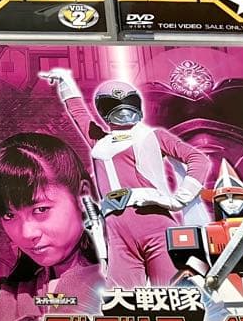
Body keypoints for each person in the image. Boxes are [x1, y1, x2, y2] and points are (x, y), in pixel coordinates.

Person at [39, 69, 210, 289]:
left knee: (172, 292)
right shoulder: (101, 143)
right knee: (121, 299)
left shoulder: (152, 136)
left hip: (154, 222)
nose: (124, 111)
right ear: (104, 110)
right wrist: (65, 82)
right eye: (114, 105)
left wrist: (179, 199)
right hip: (116, 230)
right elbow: (79, 114)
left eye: (129, 103)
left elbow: (198, 159)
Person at [0, 133, 104, 321]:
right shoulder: (5, 294)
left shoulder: (123, 281)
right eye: (9, 215)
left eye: (41, 210)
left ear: (82, 194)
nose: (26, 233)